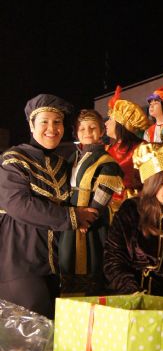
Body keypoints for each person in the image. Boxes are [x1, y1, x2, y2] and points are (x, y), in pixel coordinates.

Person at [0, 94, 98, 317]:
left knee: (54, 328)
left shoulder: (63, 164)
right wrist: (72, 217)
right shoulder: (13, 159)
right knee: (32, 327)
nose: (52, 128)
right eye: (44, 121)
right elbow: (18, 204)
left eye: (57, 122)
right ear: (31, 125)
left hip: (54, 264)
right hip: (19, 262)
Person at [103, 142, 163, 297]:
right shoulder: (131, 210)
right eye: (162, 182)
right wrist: (132, 292)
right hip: (129, 297)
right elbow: (113, 259)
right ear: (150, 184)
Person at [58, 109, 124, 296]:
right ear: (76, 133)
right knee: (67, 258)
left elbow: (104, 191)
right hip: (72, 217)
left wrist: (89, 217)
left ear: (102, 131)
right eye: (82, 128)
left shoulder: (106, 161)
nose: (87, 132)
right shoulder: (74, 157)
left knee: (91, 259)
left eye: (92, 128)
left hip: (91, 221)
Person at [105, 86, 149, 215]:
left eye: (110, 119)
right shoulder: (107, 149)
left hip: (134, 208)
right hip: (108, 208)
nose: (106, 123)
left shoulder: (143, 148)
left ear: (120, 124)